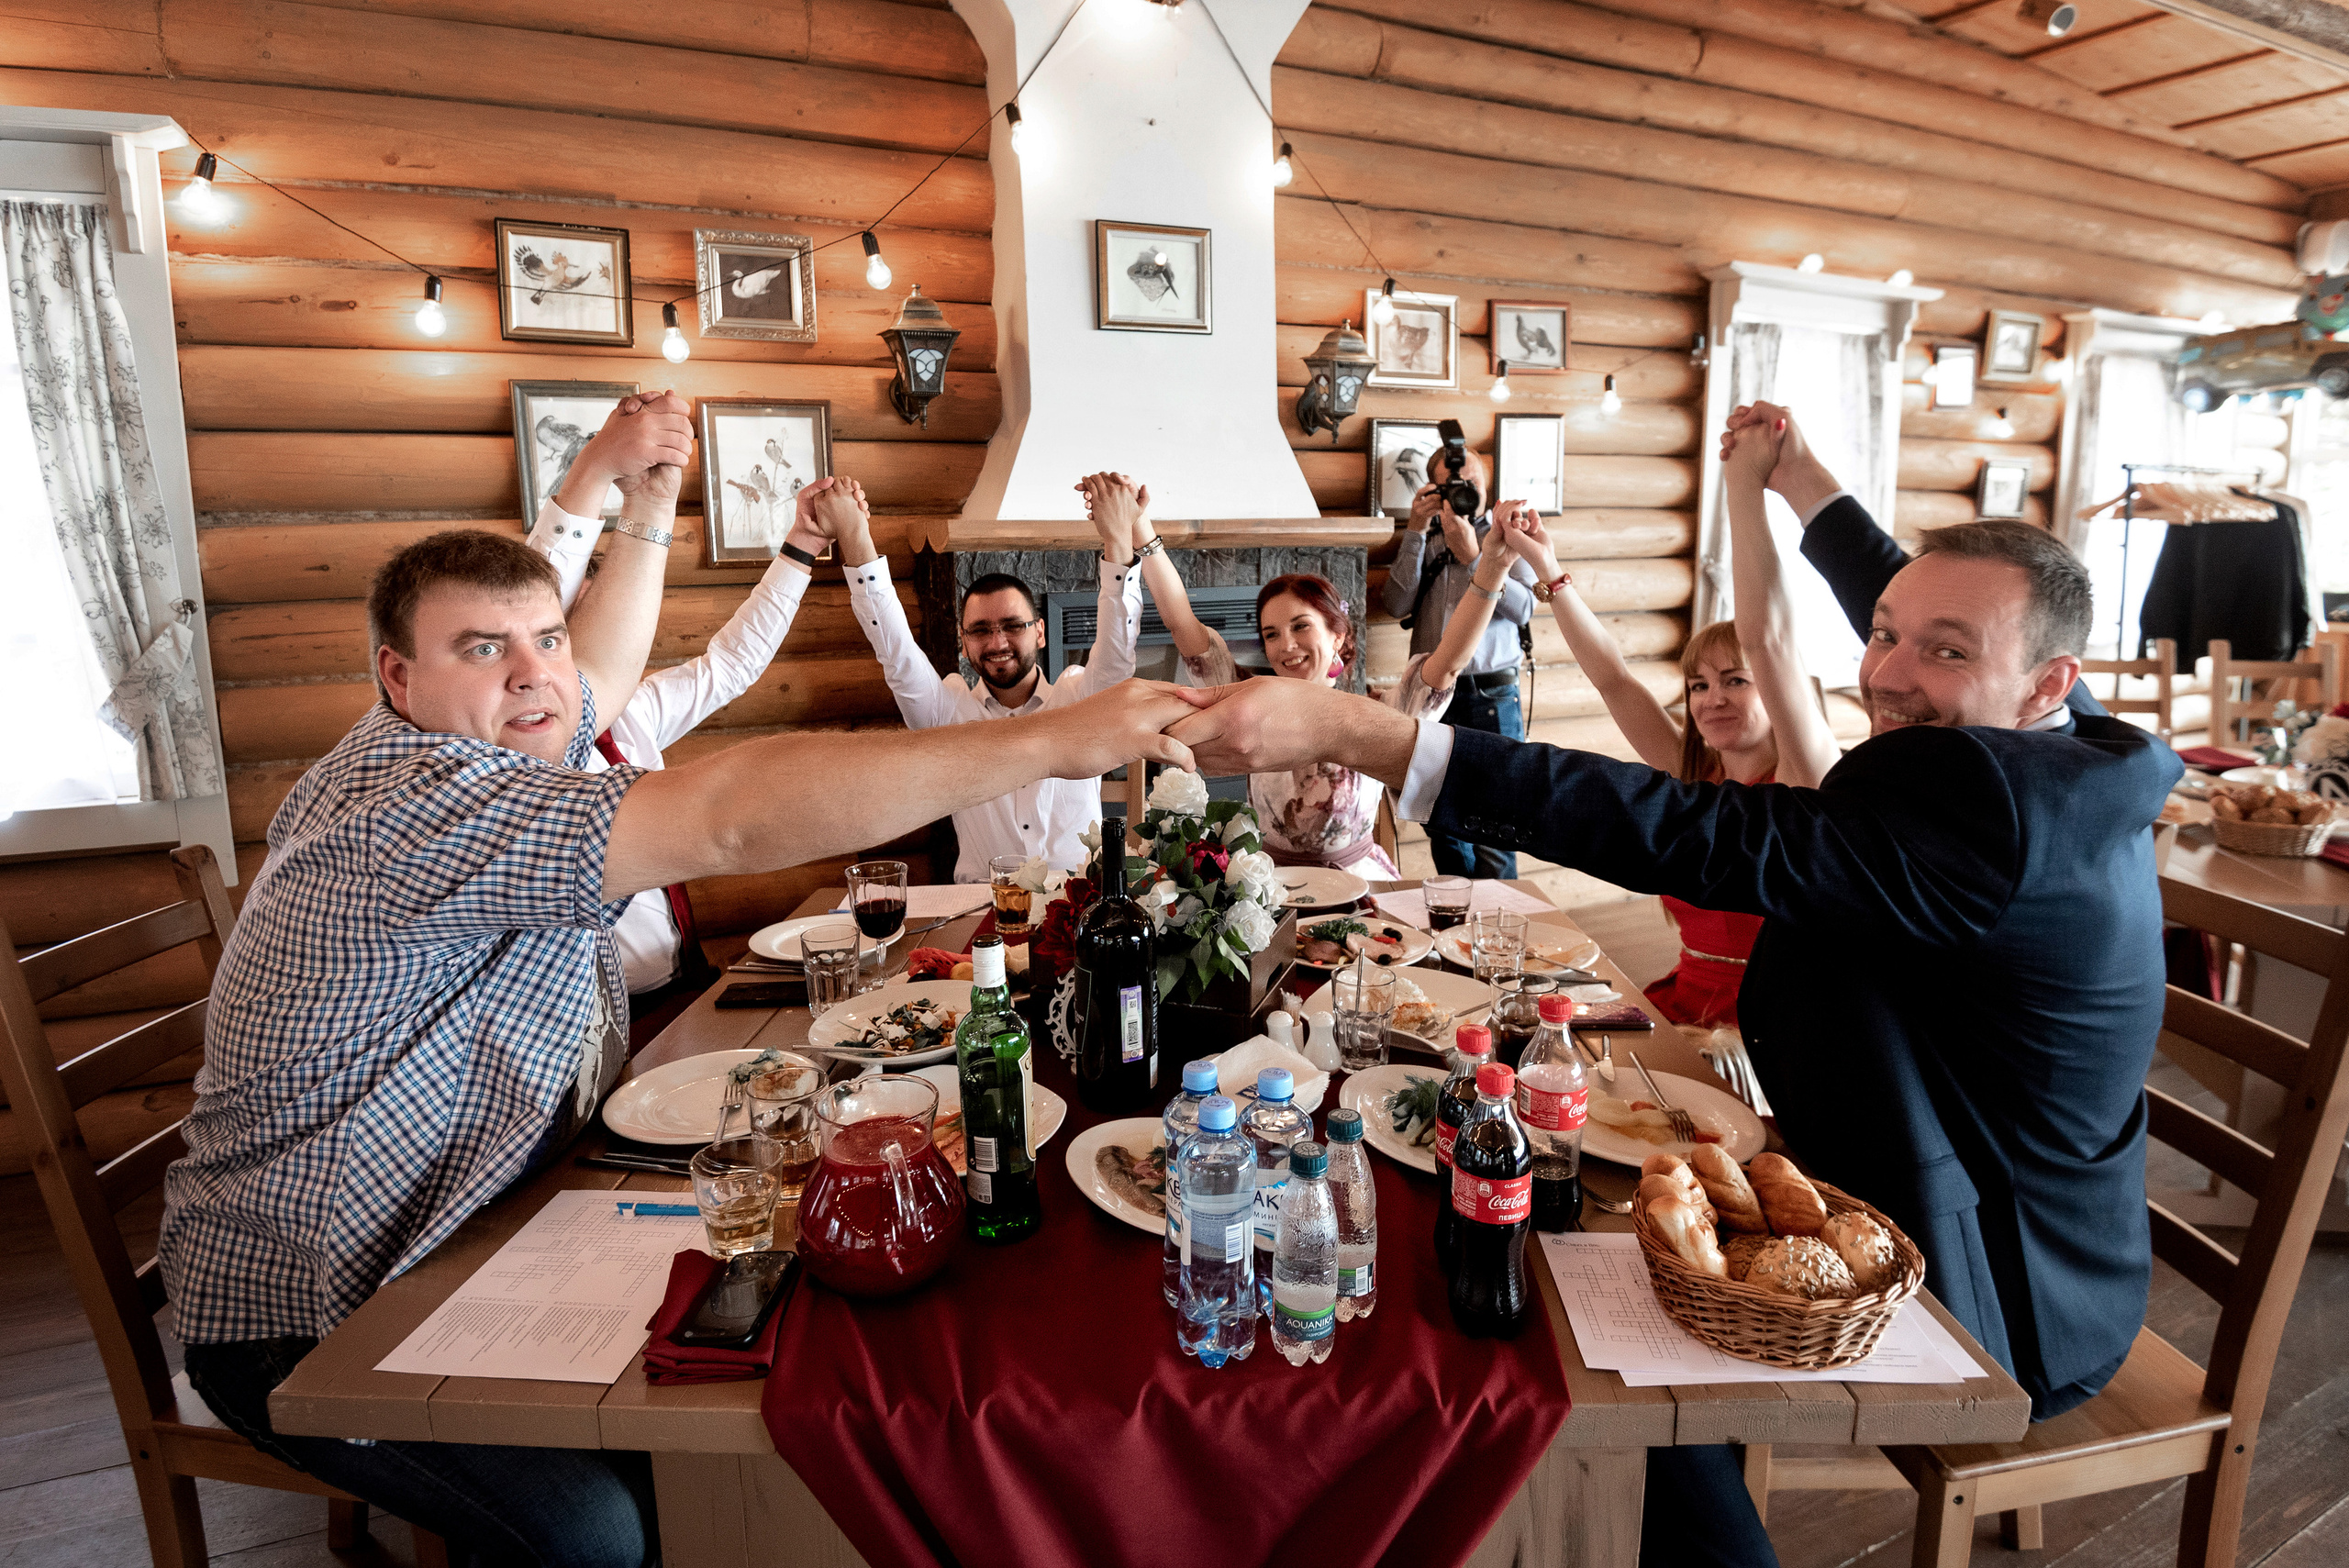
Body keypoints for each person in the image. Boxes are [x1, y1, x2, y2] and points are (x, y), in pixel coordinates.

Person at [158, 399, 1197, 1565]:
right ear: (397, 676)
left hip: (469, 1222)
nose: (534, 675)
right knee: (612, 1532)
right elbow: (727, 815)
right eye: (482, 649)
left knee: (741, 1339)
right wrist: (1057, 739)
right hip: (318, 1301)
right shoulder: (419, 802)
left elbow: (597, 666)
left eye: (542, 638)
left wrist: (647, 501)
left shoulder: (496, 731)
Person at [1166, 403, 2178, 1567]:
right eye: (1882, 633)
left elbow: (1698, 833)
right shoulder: (2070, 740)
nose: (1888, 672)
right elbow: (1934, 606)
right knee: (1555, 1216)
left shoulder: (1990, 807)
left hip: (1990, 1280)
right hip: (1922, 1169)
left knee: (1587, 1326)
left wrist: (1369, 735)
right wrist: (1805, 486)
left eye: (1943, 652)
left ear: (2048, 679)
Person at [1495, 435, 1840, 1026]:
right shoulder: (1691, 773)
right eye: (1698, 685)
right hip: (1686, 999)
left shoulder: (1807, 778)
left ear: (1779, 687)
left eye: (1735, 680)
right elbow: (1614, 679)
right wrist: (1547, 568)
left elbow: (1769, 638)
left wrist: (1743, 489)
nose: (1712, 699)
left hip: (1780, 1018)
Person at [527, 461, 850, 1038]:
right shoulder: (513, 747)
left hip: (682, 986)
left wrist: (802, 545)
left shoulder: (635, 710)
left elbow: (732, 665)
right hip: (583, 1025)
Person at [1083, 471, 1520, 879]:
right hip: (1271, 884)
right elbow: (1183, 623)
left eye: (1301, 627)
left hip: (1359, 882)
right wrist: (1141, 528)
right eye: (1271, 634)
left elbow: (1450, 660)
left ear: (1338, 635)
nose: (1286, 646)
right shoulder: (1243, 699)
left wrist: (1492, 569)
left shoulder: (1385, 713)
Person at [825, 475, 1144, 881]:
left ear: (1040, 632)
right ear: (963, 642)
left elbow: (1116, 655)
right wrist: (855, 534)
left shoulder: (1081, 700)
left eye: (1013, 625)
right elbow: (897, 654)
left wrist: (1118, 539)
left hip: (1077, 899)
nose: (997, 643)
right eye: (980, 630)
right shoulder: (946, 713)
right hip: (983, 902)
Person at [1378, 434, 1538, 878]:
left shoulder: (1511, 539)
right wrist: (1415, 529)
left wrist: (1474, 557)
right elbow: (1395, 604)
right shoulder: (1427, 540)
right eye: (1454, 484)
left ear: (1487, 486)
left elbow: (1525, 609)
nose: (1466, 489)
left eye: (1473, 481)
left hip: (1490, 695)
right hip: (1431, 697)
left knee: (1497, 821)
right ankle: (1454, 914)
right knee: (1440, 816)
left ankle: (1498, 918)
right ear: (1437, 490)